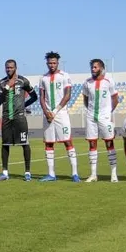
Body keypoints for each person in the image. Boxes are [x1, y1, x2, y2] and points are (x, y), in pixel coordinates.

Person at [37, 51, 80, 182]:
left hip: (61, 113)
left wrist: (54, 111)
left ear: (58, 63)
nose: (52, 65)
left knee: (68, 141)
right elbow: (41, 98)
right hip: (48, 115)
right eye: (50, 63)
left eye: (54, 63)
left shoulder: (64, 76)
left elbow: (68, 95)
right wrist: (46, 112)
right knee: (49, 143)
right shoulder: (43, 78)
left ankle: (75, 174)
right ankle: (51, 174)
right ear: (47, 63)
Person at [0, 59, 37, 181]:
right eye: (7, 67)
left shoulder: (23, 81)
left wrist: (24, 105)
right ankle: (4, 173)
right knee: (5, 144)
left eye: (11, 67)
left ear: (15, 68)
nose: (9, 69)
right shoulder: (1, 83)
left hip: (19, 118)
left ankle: (27, 172)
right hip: (6, 117)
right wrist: (7, 86)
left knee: (25, 144)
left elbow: (34, 96)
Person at [82, 58, 120, 183]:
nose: (93, 69)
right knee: (92, 144)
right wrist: (90, 111)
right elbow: (86, 99)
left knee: (109, 143)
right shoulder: (87, 82)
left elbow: (115, 99)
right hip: (91, 117)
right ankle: (93, 174)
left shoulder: (109, 81)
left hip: (105, 117)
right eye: (92, 67)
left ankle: (113, 174)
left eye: (95, 67)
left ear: (102, 68)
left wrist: (108, 113)